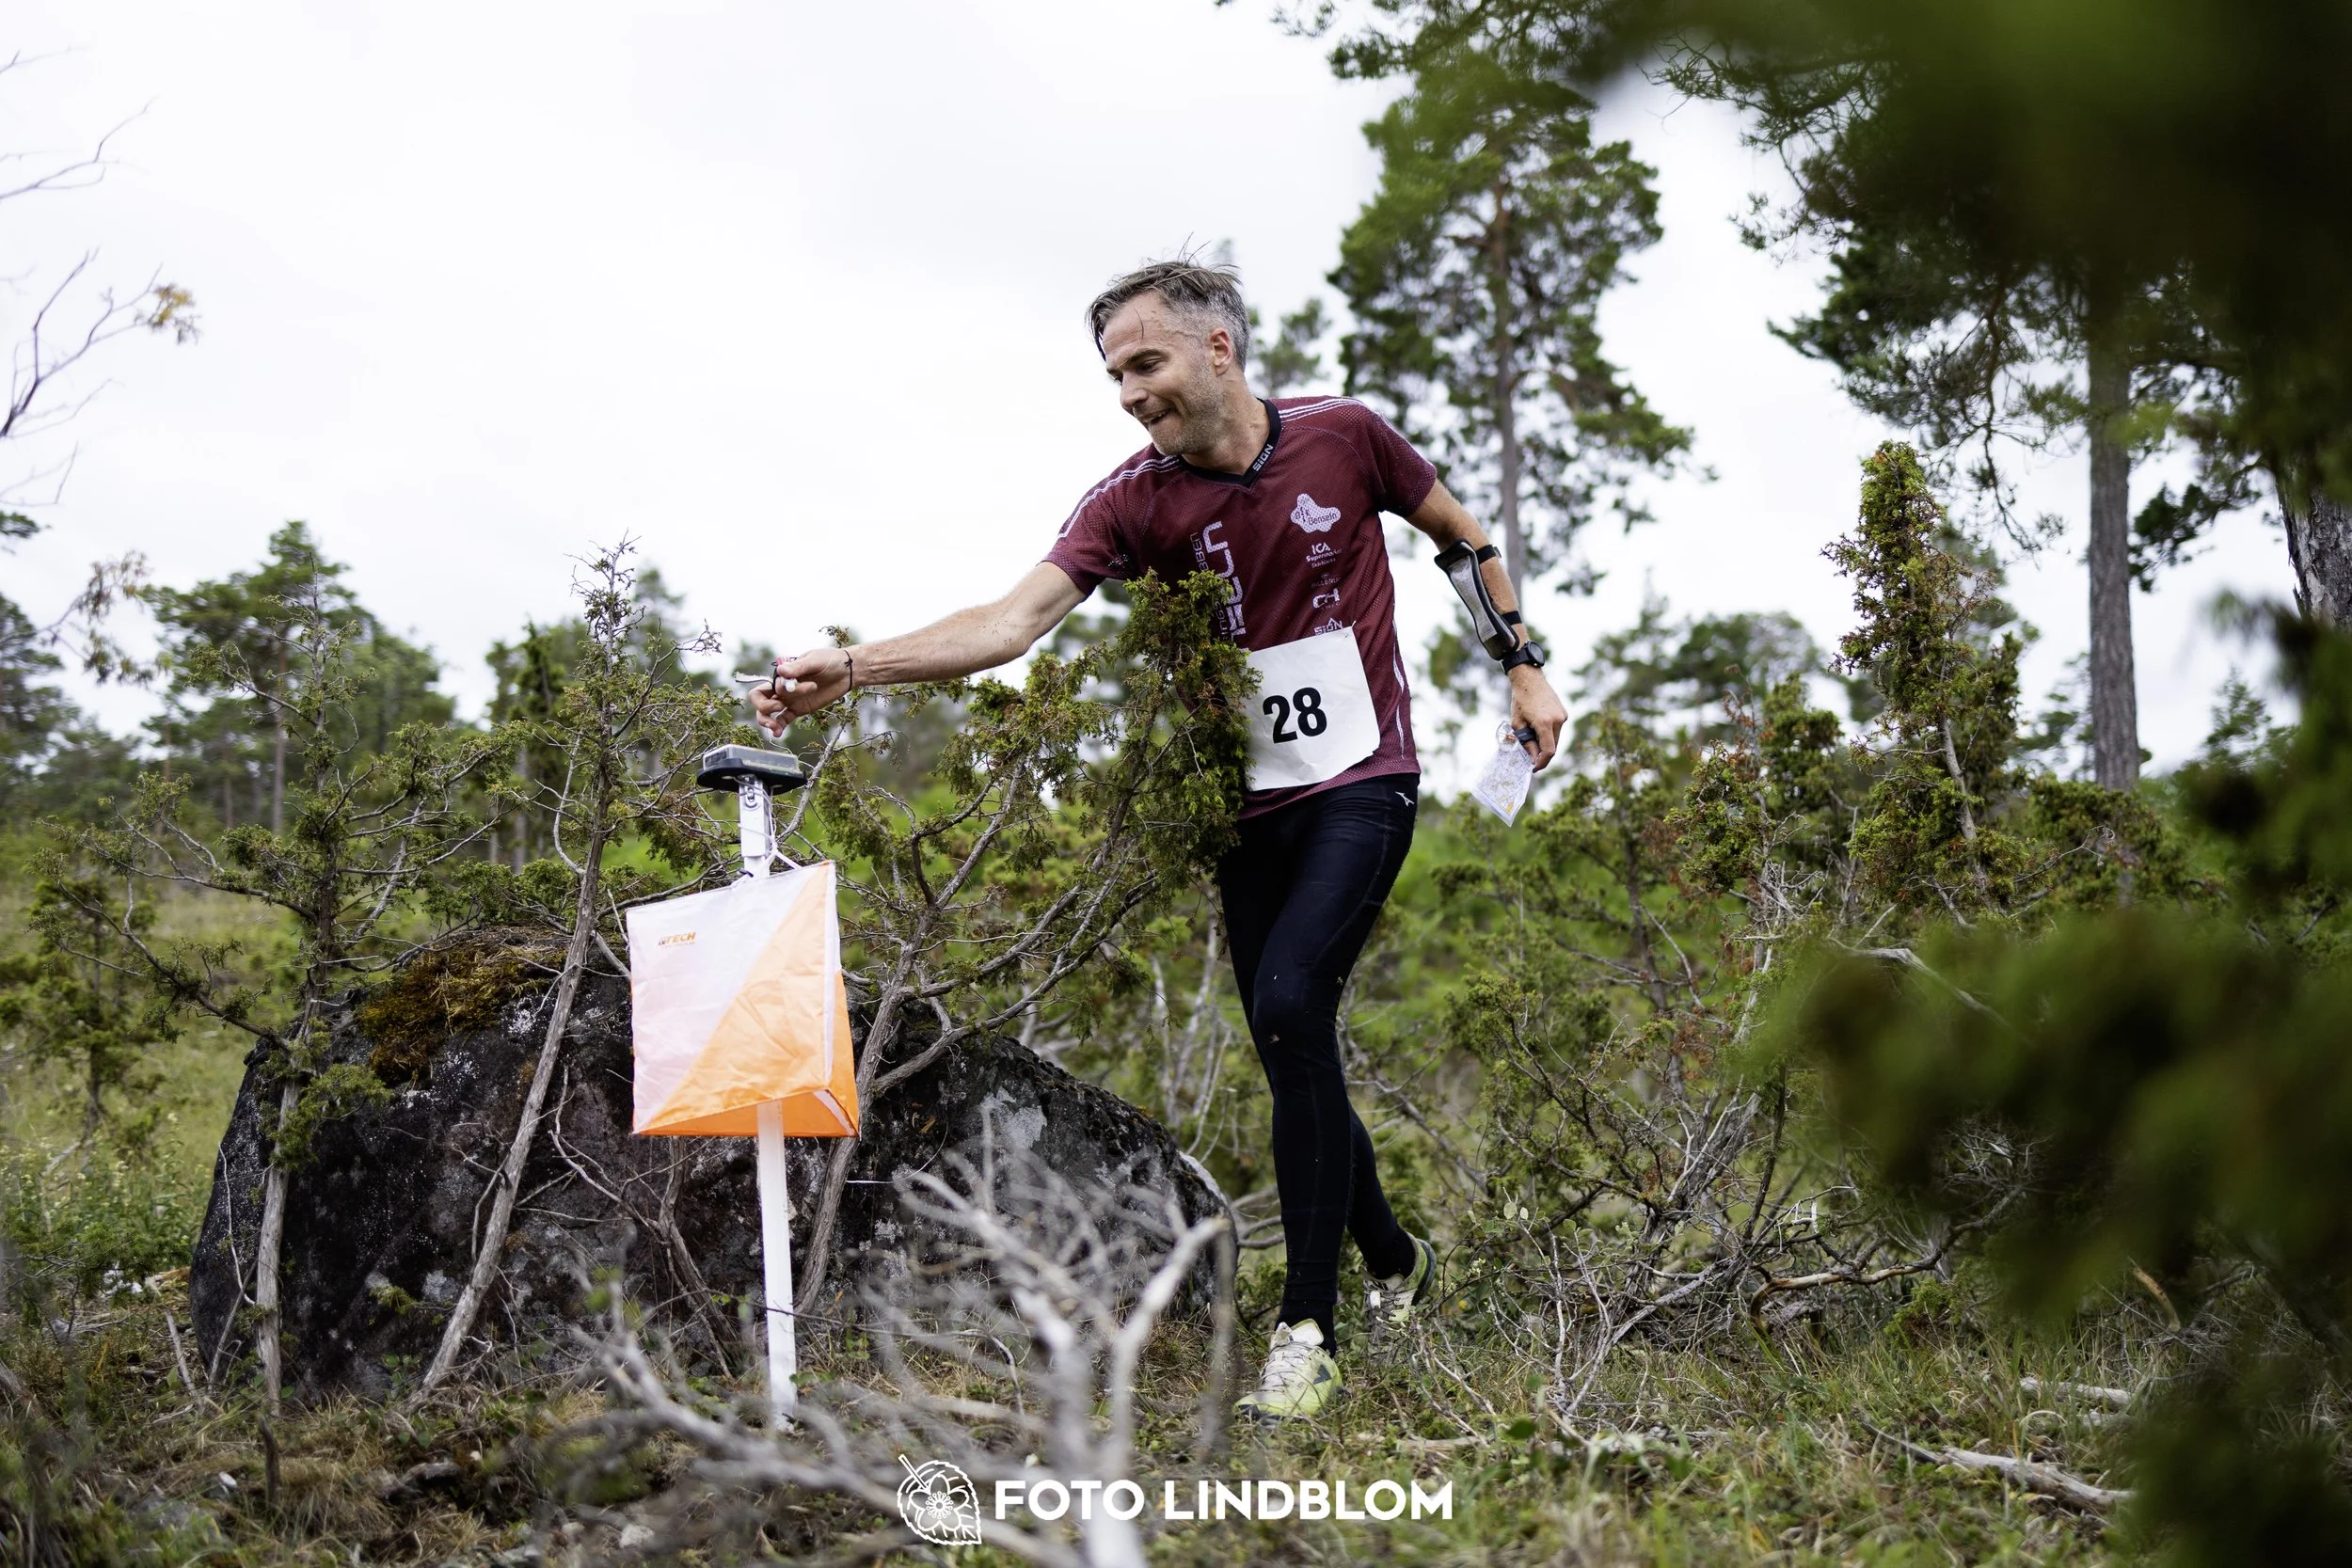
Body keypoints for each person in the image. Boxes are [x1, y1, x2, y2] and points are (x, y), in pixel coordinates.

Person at [752, 257, 1567, 1421]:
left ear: (1218, 347)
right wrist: (855, 665)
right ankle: (1395, 1254)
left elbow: (1458, 533)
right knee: (1289, 1036)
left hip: (1362, 778)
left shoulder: (1346, 437)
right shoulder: (1132, 500)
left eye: (1146, 363)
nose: (1131, 393)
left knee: (1289, 1001)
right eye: (1115, 377)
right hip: (1239, 808)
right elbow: (1011, 621)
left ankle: (1309, 1326)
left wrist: (1522, 665)